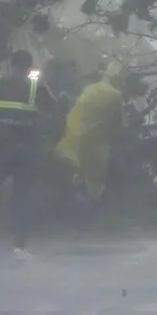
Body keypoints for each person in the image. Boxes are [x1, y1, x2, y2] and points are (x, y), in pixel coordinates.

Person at [0, 49, 58, 261]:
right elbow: (54, 106)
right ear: (29, 68)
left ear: (10, 64)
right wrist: (44, 82)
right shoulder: (35, 87)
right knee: (22, 199)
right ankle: (19, 248)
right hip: (25, 150)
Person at [53, 61, 126, 208]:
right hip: (93, 144)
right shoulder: (115, 95)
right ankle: (97, 209)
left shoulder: (89, 88)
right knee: (102, 178)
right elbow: (122, 124)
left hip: (70, 139)